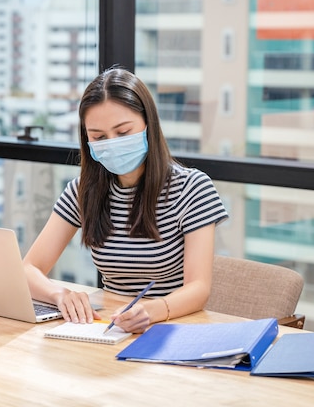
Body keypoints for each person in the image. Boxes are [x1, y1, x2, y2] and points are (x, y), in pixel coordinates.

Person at [23, 67, 228, 334]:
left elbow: (198, 288)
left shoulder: (192, 188)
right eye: (98, 137)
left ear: (148, 124)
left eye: (122, 132)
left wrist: (153, 311)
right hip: (111, 327)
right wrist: (59, 294)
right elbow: (28, 268)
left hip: (172, 327)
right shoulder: (82, 191)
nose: (112, 143)